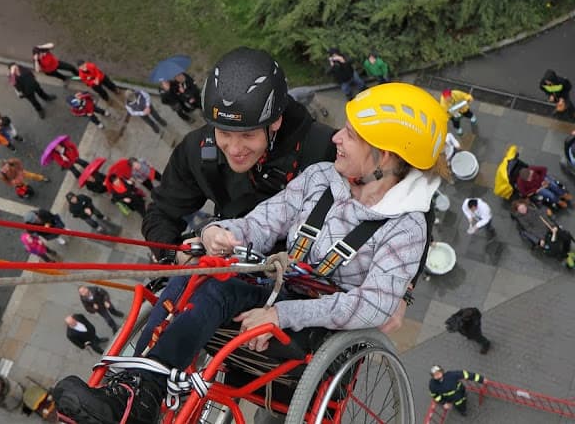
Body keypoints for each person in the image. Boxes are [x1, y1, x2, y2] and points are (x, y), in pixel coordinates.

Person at [53, 82, 448, 422]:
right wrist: (222, 233)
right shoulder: (321, 178)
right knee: (202, 273)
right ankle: (131, 393)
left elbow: (373, 306)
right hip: (279, 288)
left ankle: (138, 398)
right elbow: (264, 222)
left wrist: (282, 314)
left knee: (216, 290)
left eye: (351, 134)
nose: (336, 139)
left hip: (319, 327)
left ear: (386, 157)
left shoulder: (405, 228)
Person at [142, 47, 337, 264]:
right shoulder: (197, 149)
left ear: (275, 121)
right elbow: (161, 212)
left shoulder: (324, 150)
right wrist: (174, 254)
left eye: (247, 135)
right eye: (224, 132)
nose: (234, 149)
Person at [511, 199, 575, 268]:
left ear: (526, 205)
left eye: (524, 207)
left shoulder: (532, 209)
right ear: (517, 210)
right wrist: (541, 238)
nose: (523, 210)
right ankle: (565, 256)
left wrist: (553, 226)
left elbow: (545, 218)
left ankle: (567, 251)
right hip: (542, 234)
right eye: (521, 209)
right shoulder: (521, 218)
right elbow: (530, 230)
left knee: (566, 237)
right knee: (554, 248)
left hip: (549, 227)